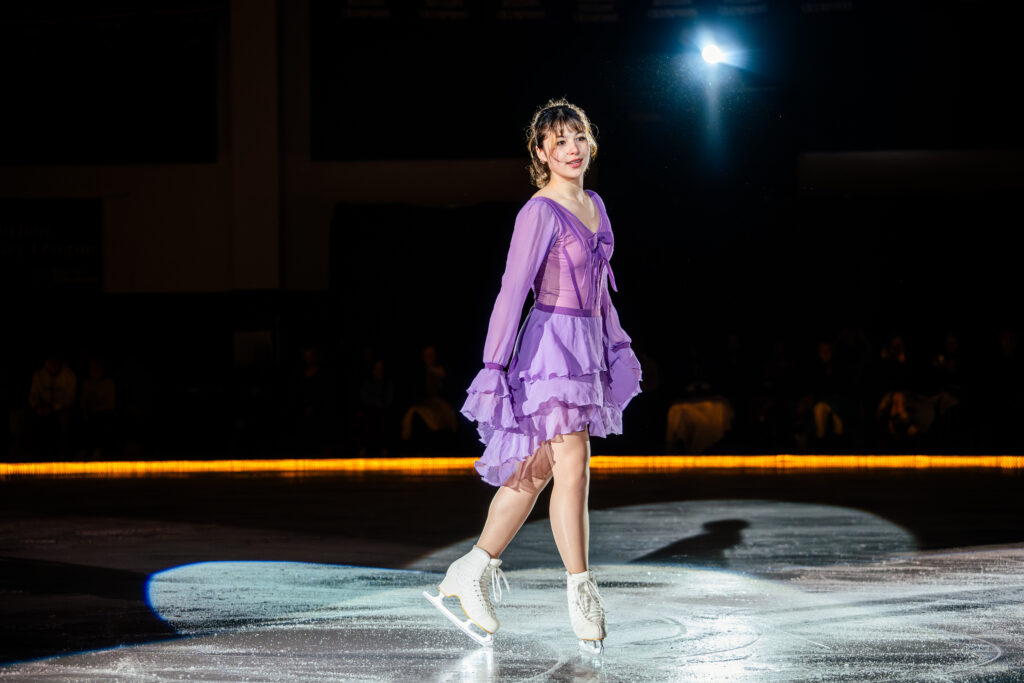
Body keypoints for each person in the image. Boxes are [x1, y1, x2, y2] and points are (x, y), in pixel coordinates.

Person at [422, 98, 643, 654]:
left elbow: (601, 291)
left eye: (579, 137)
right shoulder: (539, 211)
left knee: (536, 467)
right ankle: (582, 589)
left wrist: (615, 344)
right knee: (574, 463)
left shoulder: (595, 204)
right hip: (550, 348)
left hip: (585, 345)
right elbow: (512, 290)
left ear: (591, 142)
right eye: (559, 141)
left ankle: (471, 568)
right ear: (540, 152)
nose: (572, 148)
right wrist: (494, 366)